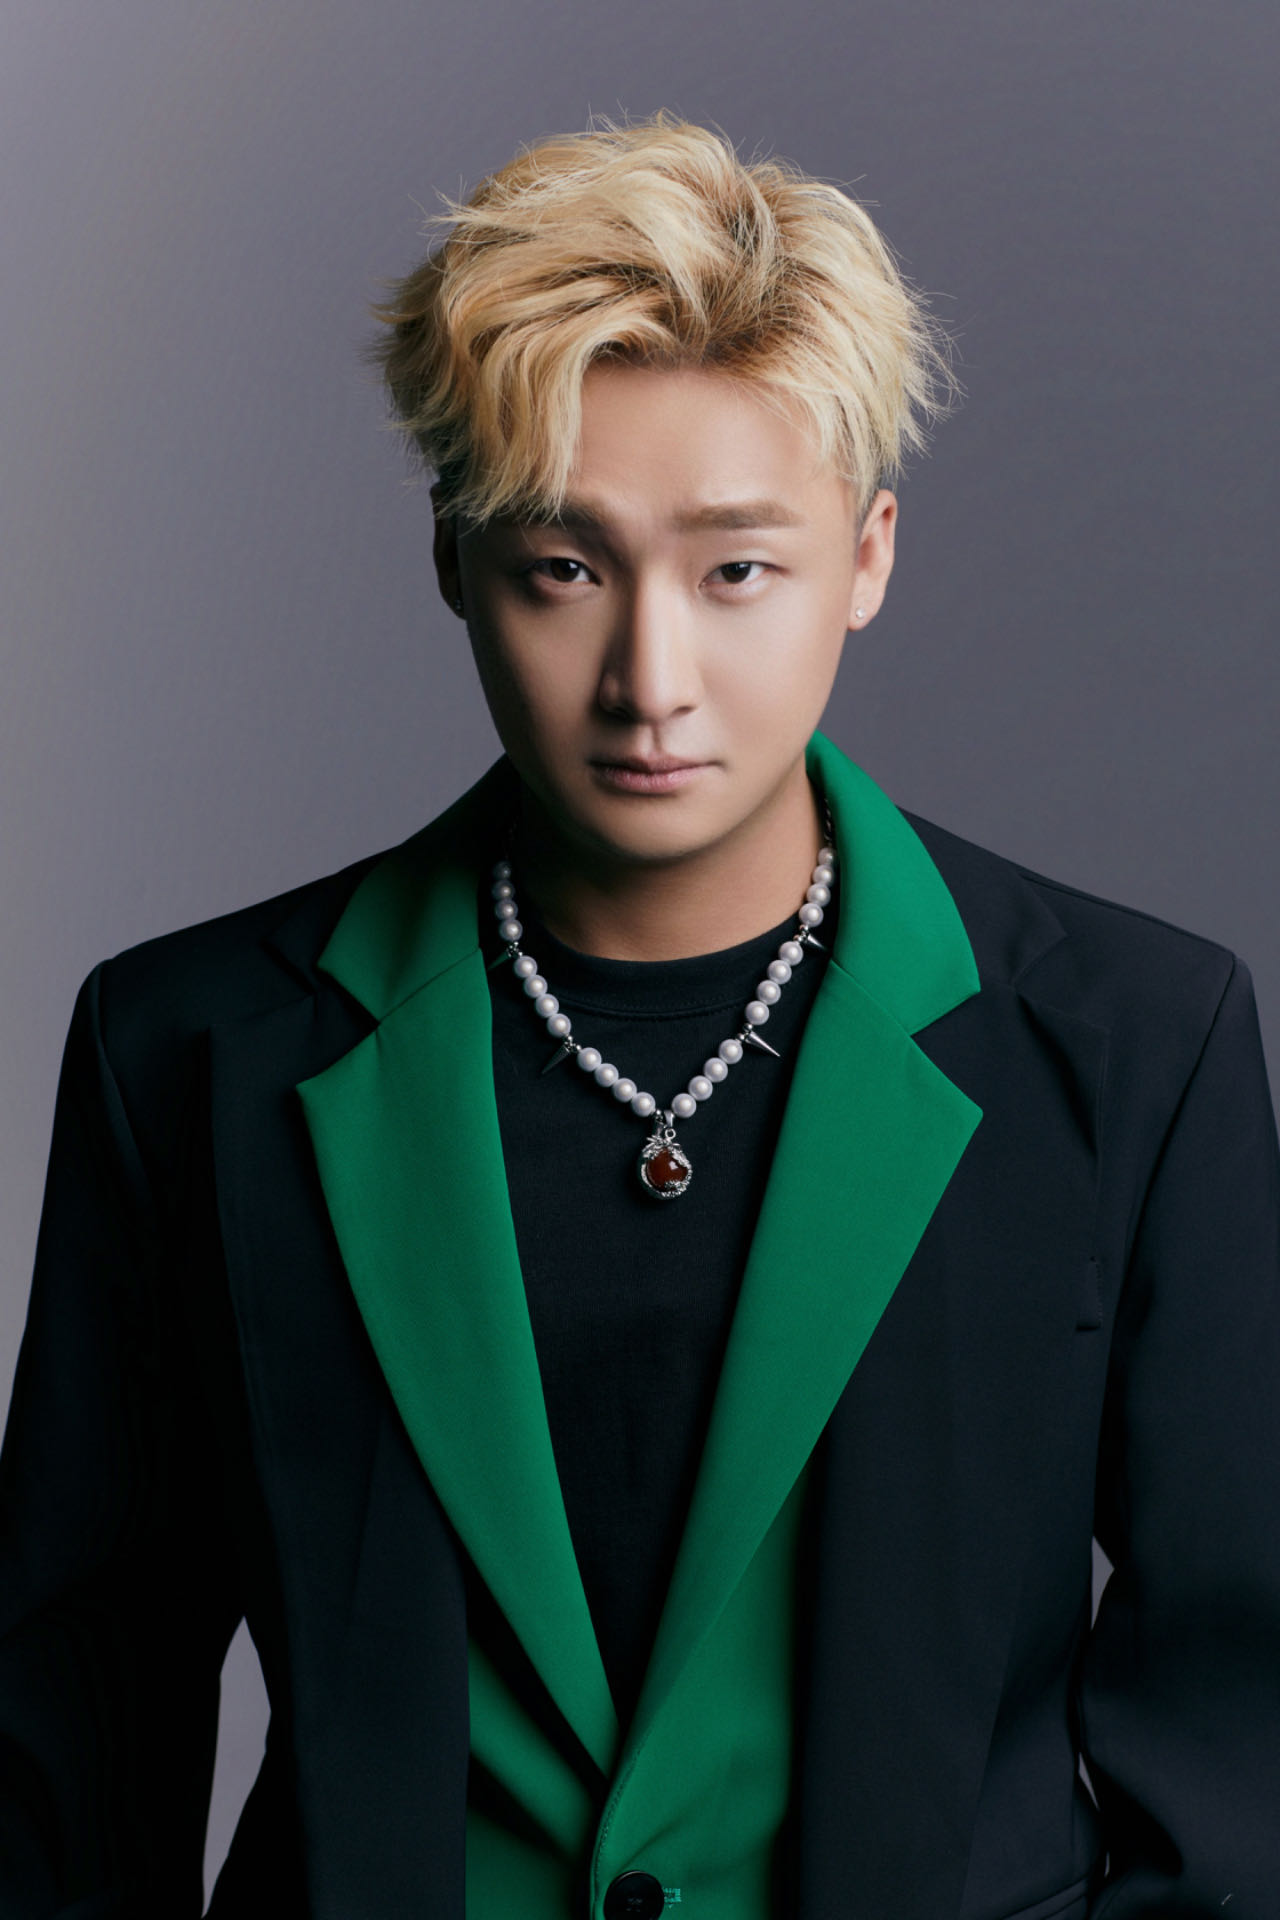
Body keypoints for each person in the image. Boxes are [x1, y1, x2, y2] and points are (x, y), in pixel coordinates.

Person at [1, 110, 1278, 1920]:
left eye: (737, 568)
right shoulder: (189, 1054)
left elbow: (1240, 1757)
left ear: (869, 557)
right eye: (564, 566)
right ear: (453, 562)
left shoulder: (1138, 1045)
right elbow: (68, 1741)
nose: (649, 679)